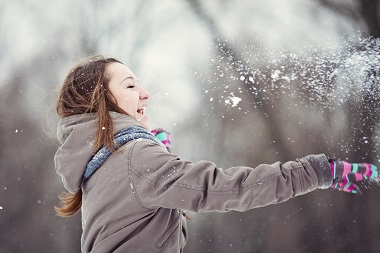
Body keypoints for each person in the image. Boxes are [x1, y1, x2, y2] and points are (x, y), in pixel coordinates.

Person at [54, 54, 378, 253]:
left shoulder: (101, 164)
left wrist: (158, 154)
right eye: (129, 86)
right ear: (102, 99)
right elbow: (228, 188)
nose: (144, 93)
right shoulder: (135, 160)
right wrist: (318, 171)